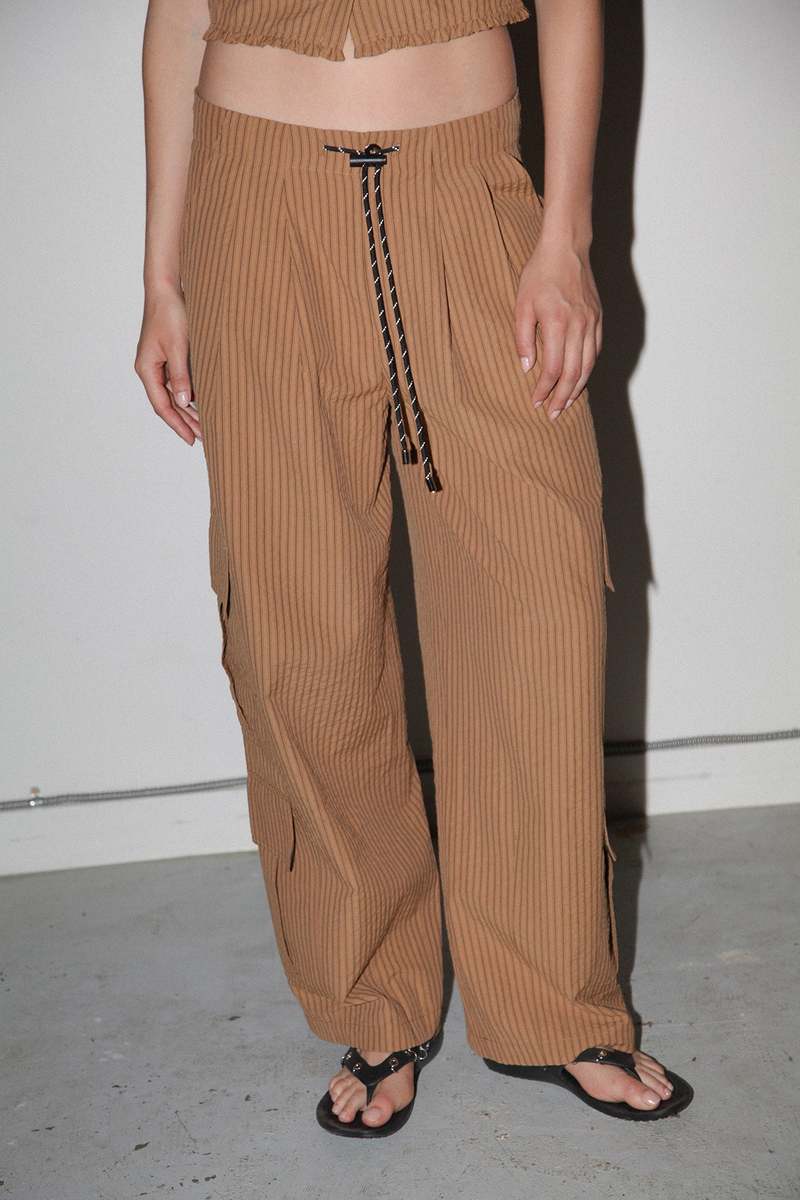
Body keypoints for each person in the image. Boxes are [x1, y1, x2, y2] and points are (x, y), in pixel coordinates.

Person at [134, 0, 694, 1136]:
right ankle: (375, 1001)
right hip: (253, 200)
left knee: (533, 606)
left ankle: (552, 1001)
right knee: (297, 628)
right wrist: (161, 277)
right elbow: (178, 14)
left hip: (468, 185)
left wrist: (564, 237)